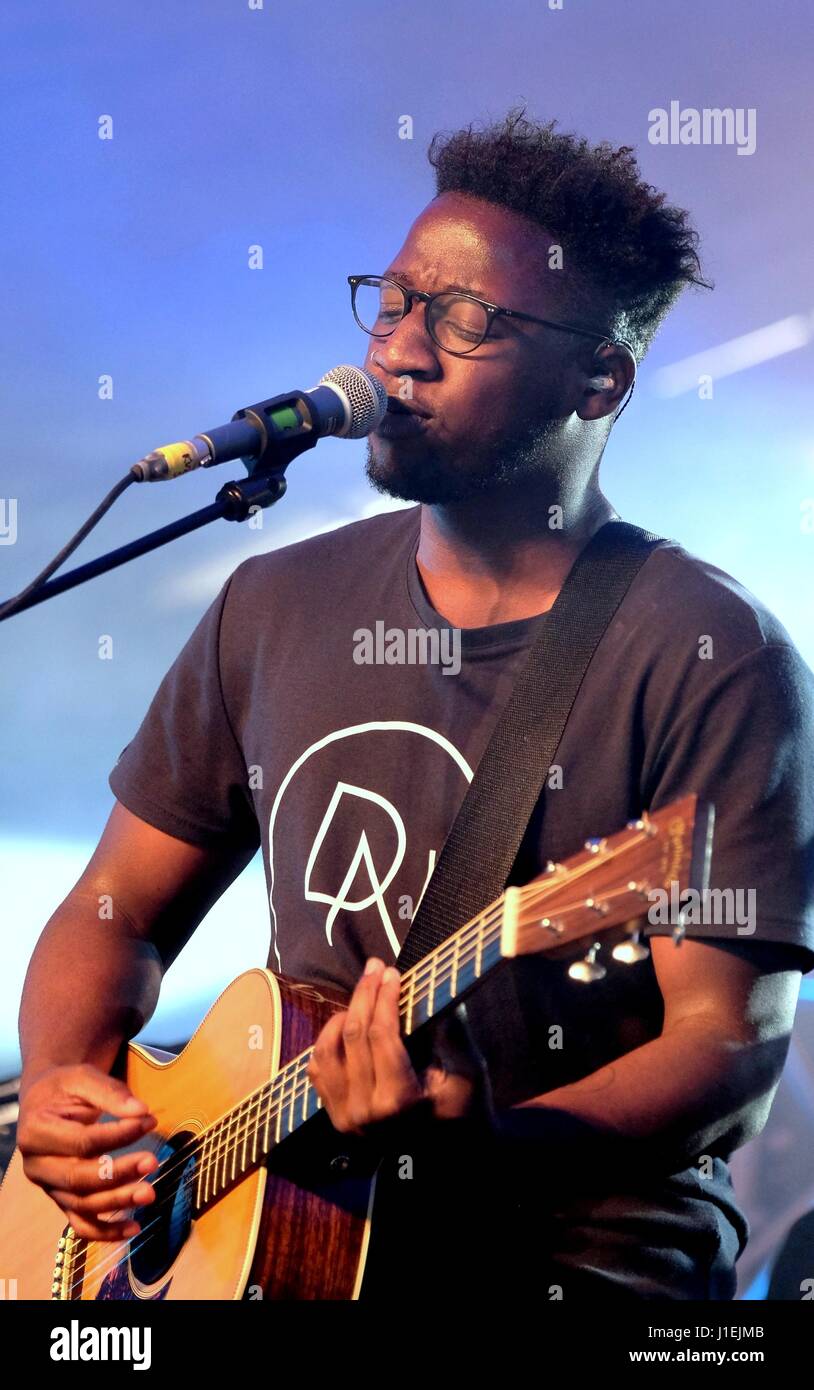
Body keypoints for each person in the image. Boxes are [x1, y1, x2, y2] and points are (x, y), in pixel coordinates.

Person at [15, 109, 814, 1302]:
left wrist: (478, 1130)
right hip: (279, 1249)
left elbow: (728, 1047)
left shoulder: (709, 650)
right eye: (391, 302)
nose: (399, 352)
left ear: (600, 378)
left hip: (569, 1266)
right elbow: (111, 907)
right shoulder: (274, 601)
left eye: (465, 319)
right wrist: (61, 1084)